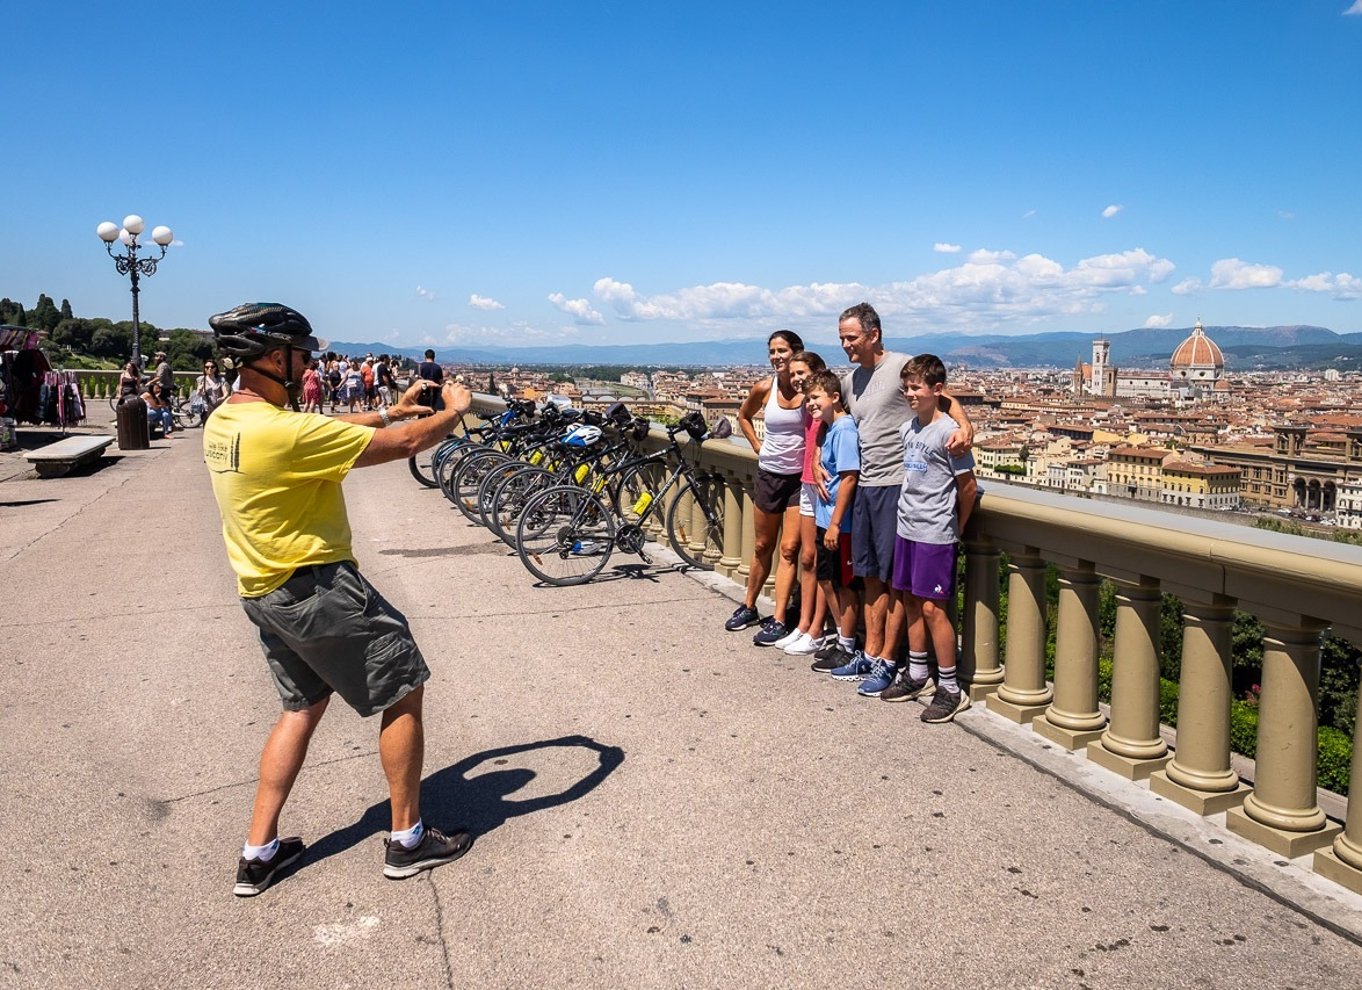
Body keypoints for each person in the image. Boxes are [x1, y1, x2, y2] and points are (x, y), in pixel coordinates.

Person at [203, 302, 474, 897]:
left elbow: (323, 434)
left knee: (301, 707)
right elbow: (407, 445)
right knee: (403, 684)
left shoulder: (226, 422)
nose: (309, 367)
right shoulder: (283, 431)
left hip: (262, 589)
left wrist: (383, 410)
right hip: (316, 588)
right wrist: (452, 412)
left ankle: (259, 851)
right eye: (303, 356)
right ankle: (407, 841)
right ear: (275, 357)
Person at [830, 303, 974, 698]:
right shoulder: (851, 379)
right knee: (872, 576)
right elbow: (828, 407)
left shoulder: (901, 367)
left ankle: (893, 661)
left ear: (874, 334)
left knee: (899, 587)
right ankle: (874, 653)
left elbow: (944, 399)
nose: (845, 345)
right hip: (866, 486)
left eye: (851, 337)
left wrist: (965, 426)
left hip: (899, 488)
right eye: (841, 337)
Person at [882, 354, 978, 721]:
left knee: (932, 609)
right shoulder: (910, 429)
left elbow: (967, 488)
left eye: (916, 387)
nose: (909, 393)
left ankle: (950, 688)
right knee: (909, 601)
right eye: (906, 387)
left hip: (936, 532)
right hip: (907, 526)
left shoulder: (948, 434)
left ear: (937, 390)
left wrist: (958, 526)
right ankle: (918, 673)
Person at [726, 330, 808, 646]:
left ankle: (778, 618)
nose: (776, 357)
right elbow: (743, 416)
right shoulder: (764, 388)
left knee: (789, 549)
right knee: (762, 546)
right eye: (772, 351)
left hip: (799, 481)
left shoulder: (810, 390)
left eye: (782, 351)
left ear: (797, 352)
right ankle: (748, 605)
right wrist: (757, 444)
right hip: (769, 475)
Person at [800, 371, 862, 674]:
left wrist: (836, 524)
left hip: (841, 522)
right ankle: (842, 637)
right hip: (827, 518)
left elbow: (850, 477)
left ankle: (848, 643)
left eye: (816, 398)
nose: (810, 403)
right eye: (808, 398)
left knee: (844, 584)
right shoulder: (828, 429)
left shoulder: (845, 430)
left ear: (835, 398)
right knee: (827, 579)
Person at [769, 350, 828, 656]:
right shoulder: (808, 406)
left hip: (822, 488)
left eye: (802, 373)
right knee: (807, 557)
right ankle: (803, 625)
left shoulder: (826, 404)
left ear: (817, 372)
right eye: (793, 374)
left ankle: (817, 629)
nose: (796, 378)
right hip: (805, 483)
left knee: (817, 559)